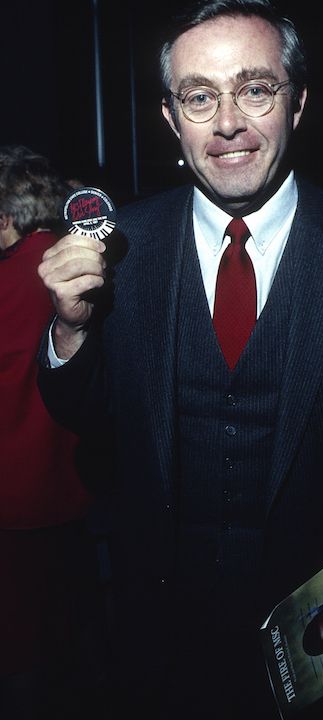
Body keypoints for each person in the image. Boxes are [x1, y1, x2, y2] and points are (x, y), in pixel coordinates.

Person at [36, 1, 323, 718]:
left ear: (297, 103)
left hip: (317, 644)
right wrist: (69, 332)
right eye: (199, 96)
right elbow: (90, 419)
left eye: (254, 89)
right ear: (171, 118)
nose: (227, 122)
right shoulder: (121, 248)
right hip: (157, 634)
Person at [0, 145, 104, 719]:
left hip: (13, 497)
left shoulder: (22, 274)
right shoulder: (76, 262)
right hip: (71, 487)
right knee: (75, 632)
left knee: (20, 654)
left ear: (10, 215)